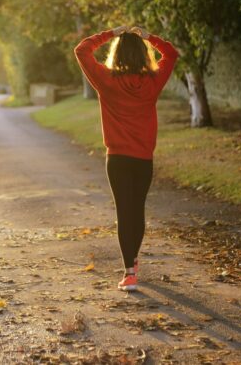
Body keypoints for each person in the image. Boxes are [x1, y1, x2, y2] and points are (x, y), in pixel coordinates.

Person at [74, 25, 179, 291]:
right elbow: (171, 54)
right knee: (137, 210)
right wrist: (149, 37)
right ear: (143, 55)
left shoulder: (106, 80)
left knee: (124, 212)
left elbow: (82, 50)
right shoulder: (153, 82)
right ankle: (133, 260)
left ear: (116, 54)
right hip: (143, 159)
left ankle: (129, 272)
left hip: (118, 159)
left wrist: (110, 33)